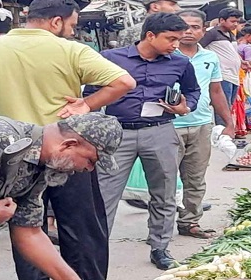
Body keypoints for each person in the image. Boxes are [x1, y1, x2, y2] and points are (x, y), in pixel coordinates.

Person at [0, 0, 136, 279]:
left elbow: (30, 233)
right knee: (83, 230)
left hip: (41, 153)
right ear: (56, 22)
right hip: (16, 149)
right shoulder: (70, 50)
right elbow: (125, 82)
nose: (71, 32)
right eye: (71, 26)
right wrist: (86, 104)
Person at [84, 13, 201, 270]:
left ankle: (160, 247)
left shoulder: (180, 63)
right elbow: (91, 93)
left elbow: (193, 91)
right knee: (104, 195)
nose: (175, 45)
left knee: (165, 192)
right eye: (170, 39)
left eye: (178, 40)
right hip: (117, 133)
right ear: (150, 35)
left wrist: (185, 106)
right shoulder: (111, 59)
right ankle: (94, 250)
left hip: (160, 131)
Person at [0, 113, 123, 280]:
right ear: (69, 145)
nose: (88, 169)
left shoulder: (37, 169)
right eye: (90, 160)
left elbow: (29, 233)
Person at [173, 9, 234, 238]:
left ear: (204, 29)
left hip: (201, 125)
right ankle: (159, 228)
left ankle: (190, 222)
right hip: (169, 126)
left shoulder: (209, 57)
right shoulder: (165, 56)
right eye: (184, 26)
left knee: (195, 178)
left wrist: (228, 121)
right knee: (166, 180)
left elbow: (216, 91)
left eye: (195, 27)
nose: (189, 32)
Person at [200, 8, 243, 126]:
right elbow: (199, 49)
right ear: (222, 20)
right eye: (233, 21)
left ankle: (226, 134)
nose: (235, 24)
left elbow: (231, 52)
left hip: (233, 75)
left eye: (237, 22)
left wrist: (242, 62)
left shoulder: (231, 34)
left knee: (229, 106)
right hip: (222, 75)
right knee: (222, 107)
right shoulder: (212, 33)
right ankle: (222, 135)